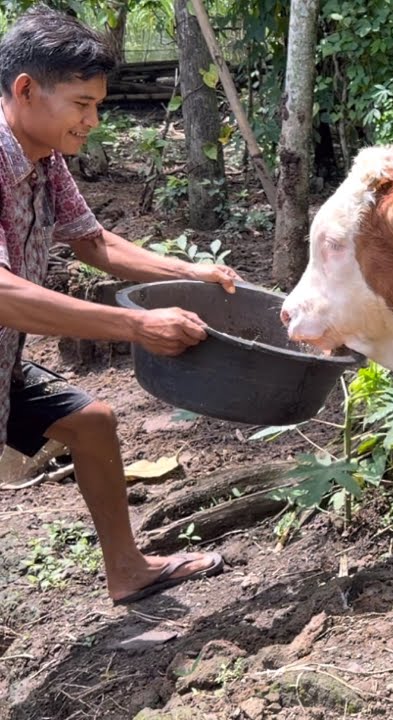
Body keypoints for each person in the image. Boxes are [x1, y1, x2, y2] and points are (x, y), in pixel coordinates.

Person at [1, 6, 236, 604]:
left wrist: (190, 272)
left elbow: (95, 242)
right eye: (82, 104)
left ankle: (127, 569)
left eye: (97, 105)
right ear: (25, 91)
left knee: (92, 423)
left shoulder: (44, 158)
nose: (92, 120)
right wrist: (136, 324)